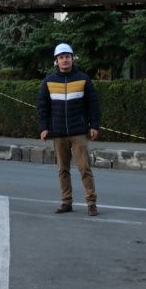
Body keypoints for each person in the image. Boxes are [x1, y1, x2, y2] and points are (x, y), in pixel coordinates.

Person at [37, 43, 100, 216]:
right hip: (58, 133)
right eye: (61, 57)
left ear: (72, 59)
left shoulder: (83, 79)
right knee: (63, 170)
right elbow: (42, 107)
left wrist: (94, 126)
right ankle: (66, 202)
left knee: (84, 168)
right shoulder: (48, 81)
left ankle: (91, 203)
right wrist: (44, 128)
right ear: (56, 61)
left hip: (79, 132)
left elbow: (93, 104)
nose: (65, 60)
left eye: (67, 57)